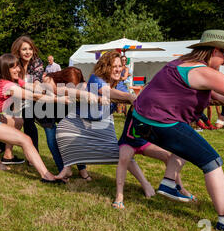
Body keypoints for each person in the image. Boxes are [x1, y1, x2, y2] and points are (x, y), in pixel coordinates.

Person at [127, 29, 224, 231]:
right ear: (215, 50)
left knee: (185, 143)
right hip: (160, 123)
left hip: (140, 121)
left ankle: (169, 182)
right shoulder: (202, 71)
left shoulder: (180, 63)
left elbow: (217, 94)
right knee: (212, 161)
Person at [0, 53, 67, 183]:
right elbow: (33, 96)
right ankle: (46, 175)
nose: (18, 70)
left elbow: (33, 87)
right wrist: (58, 99)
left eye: (18, 66)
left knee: (17, 121)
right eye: (14, 68)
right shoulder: (7, 85)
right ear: (6, 69)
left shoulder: (12, 81)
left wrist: (47, 88)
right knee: (26, 140)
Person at [55, 51, 135, 180]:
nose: (118, 69)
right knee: (62, 132)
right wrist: (129, 96)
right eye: (114, 66)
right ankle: (67, 167)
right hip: (80, 118)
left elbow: (120, 95)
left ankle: (145, 183)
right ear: (105, 67)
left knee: (119, 152)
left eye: (120, 66)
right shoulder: (95, 78)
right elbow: (107, 91)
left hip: (102, 121)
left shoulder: (121, 85)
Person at [41, 67, 96, 180]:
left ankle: (82, 168)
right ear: (63, 79)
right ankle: (63, 169)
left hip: (63, 108)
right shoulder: (49, 81)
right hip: (46, 110)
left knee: (72, 136)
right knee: (52, 139)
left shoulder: (79, 83)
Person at [11, 36, 45, 155]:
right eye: (24, 49)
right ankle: (2, 147)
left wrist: (37, 87)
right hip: (13, 98)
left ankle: (33, 153)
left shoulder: (36, 62)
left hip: (30, 98)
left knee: (29, 122)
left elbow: (37, 78)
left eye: (30, 49)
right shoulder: (13, 63)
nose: (28, 52)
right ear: (18, 51)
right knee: (13, 125)